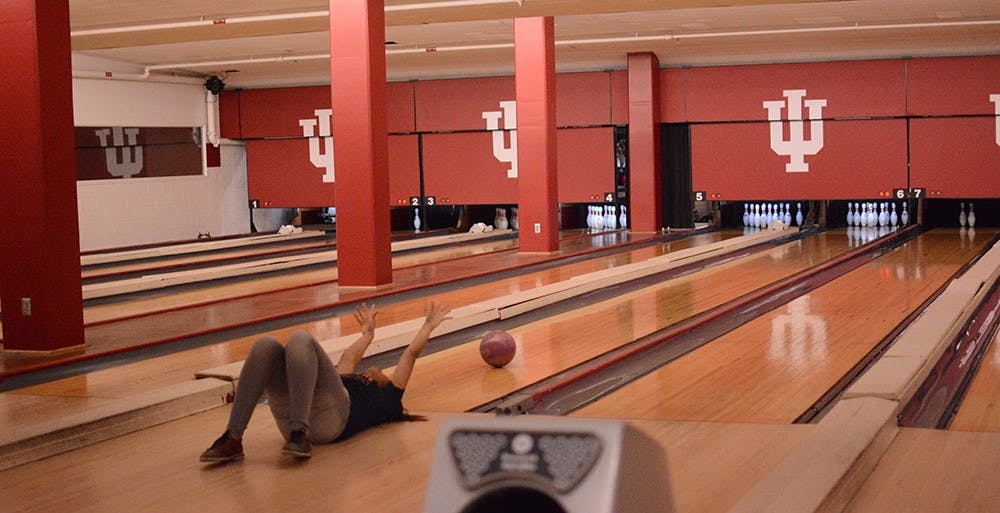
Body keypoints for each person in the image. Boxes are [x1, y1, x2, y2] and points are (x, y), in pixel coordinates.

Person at [200, 301, 450, 462]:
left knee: (301, 339)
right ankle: (233, 437)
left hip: (333, 421)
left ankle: (300, 432)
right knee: (265, 346)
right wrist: (368, 334)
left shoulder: (389, 397)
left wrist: (428, 326)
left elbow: (410, 354)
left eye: (385, 374)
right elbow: (350, 356)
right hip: (293, 418)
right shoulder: (346, 378)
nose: (379, 371)